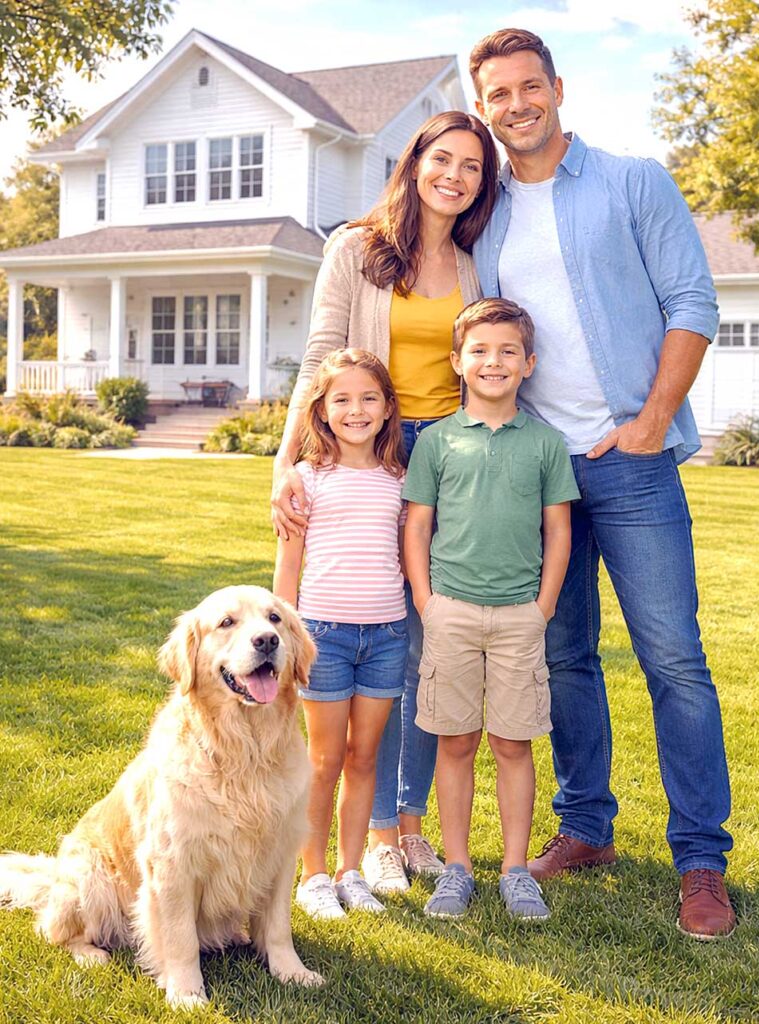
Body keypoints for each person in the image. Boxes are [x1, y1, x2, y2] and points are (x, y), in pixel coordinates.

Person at [468, 27, 736, 939]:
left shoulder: (632, 181)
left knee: (674, 659)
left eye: (528, 86)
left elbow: (692, 301)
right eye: (498, 94)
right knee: (563, 657)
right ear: (484, 107)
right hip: (541, 473)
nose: (516, 105)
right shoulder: (489, 215)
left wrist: (654, 419)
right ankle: (586, 828)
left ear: (557, 87)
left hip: (633, 460)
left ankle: (701, 861)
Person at [271, 111, 499, 895]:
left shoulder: (475, 262)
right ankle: (372, 838)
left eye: (472, 165)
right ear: (414, 163)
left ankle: (409, 824)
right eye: (443, 159)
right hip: (373, 442)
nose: (454, 176)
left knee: (427, 643)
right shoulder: (355, 250)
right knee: (374, 627)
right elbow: (319, 359)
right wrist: (287, 461)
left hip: (450, 458)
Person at [404, 298, 580, 919]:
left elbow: (558, 531)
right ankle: (456, 867)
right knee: (455, 741)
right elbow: (417, 525)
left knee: (512, 743)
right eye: (479, 350)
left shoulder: (546, 443)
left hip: (518, 619)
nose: (493, 361)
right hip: (449, 613)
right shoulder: (437, 442)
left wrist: (542, 608)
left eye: (508, 351)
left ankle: (514, 869)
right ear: (457, 361)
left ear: (529, 364)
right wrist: (425, 601)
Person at [273, 348, 408, 918]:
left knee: (364, 757)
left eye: (369, 398)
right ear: (322, 411)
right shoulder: (304, 479)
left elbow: (407, 553)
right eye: (343, 400)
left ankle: (352, 871)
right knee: (324, 760)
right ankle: (314, 875)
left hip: (386, 634)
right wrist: (285, 640)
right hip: (322, 636)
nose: (357, 410)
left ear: (388, 408)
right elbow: (288, 567)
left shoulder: (399, 479)